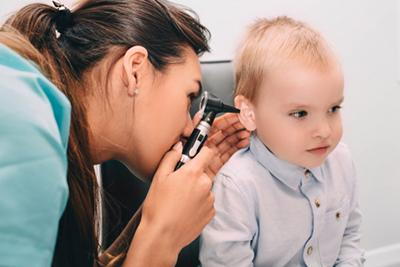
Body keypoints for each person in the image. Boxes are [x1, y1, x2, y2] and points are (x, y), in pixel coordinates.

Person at [0, 0, 250, 266]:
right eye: (189, 96)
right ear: (135, 70)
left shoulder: (47, 134)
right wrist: (163, 237)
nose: (190, 129)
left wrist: (158, 216)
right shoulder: (29, 135)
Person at [199, 16, 365, 266]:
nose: (323, 130)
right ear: (249, 113)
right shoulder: (237, 186)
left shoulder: (341, 160)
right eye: (300, 114)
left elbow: (349, 238)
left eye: (333, 108)